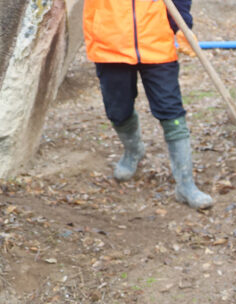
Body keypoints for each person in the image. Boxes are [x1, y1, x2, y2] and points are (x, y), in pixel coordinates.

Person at [83, 0, 213, 209]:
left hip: (156, 39)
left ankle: (185, 184)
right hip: (110, 41)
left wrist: (182, 26)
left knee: (172, 111)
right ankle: (133, 151)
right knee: (118, 110)